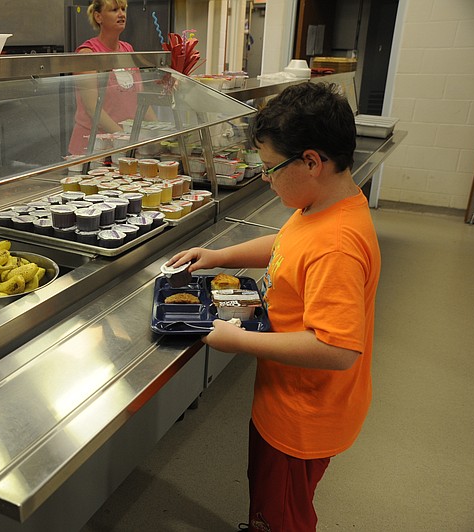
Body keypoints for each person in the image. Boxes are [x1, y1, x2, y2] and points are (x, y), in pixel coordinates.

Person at [167, 82, 381, 532]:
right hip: (286, 396)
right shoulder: (320, 206)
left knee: (282, 513)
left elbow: (339, 349)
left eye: (270, 167)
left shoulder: (337, 245)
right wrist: (220, 256)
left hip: (302, 414)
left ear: (311, 161)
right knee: (268, 495)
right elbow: (287, 245)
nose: (264, 177)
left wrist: (240, 341)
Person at [68, 0, 155, 155]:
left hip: (124, 146)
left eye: (123, 9)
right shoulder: (88, 53)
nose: (121, 14)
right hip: (93, 147)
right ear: (98, 17)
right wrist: (126, 138)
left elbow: (141, 101)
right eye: (114, 10)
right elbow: (91, 108)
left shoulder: (128, 50)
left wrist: (160, 130)